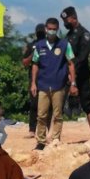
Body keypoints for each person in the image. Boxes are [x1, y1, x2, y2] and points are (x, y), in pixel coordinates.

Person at [30, 18, 77, 151]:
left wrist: (73, 83)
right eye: (49, 28)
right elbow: (35, 64)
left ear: (57, 29)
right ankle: (40, 141)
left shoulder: (64, 44)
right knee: (41, 115)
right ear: (45, 28)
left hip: (59, 85)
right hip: (43, 85)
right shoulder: (39, 45)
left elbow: (71, 64)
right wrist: (33, 83)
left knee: (57, 115)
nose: (51, 31)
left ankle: (56, 139)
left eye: (54, 29)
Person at [62, 7, 90, 137]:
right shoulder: (68, 36)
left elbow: (82, 57)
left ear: (73, 18)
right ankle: (55, 137)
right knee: (58, 105)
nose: (65, 23)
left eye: (66, 20)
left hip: (81, 75)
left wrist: (73, 75)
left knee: (87, 104)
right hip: (67, 75)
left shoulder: (84, 34)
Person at [22, 23, 46, 138]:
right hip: (34, 79)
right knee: (34, 104)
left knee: (49, 105)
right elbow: (25, 62)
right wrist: (34, 53)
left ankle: (47, 129)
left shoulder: (50, 45)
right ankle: (32, 129)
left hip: (47, 77)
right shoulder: (31, 45)